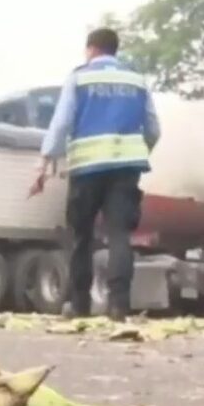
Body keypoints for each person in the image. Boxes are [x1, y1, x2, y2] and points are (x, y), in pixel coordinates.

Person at [29, 27, 160, 322]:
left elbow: (61, 122)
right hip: (126, 169)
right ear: (115, 50)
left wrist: (44, 164)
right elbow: (153, 128)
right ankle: (118, 306)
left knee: (81, 237)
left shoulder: (79, 78)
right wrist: (137, 151)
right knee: (119, 236)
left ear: (91, 50)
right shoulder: (137, 80)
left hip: (87, 169)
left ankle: (79, 305)